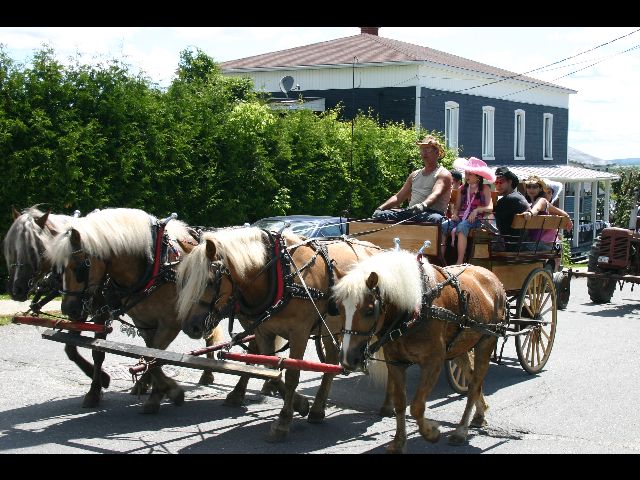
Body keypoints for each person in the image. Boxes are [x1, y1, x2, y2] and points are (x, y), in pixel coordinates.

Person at [373, 135, 452, 224]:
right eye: (422, 149)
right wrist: (380, 208)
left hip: (431, 213)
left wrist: (423, 205)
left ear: (437, 153)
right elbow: (398, 197)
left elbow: (436, 194)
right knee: (382, 215)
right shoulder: (414, 174)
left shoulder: (443, 174)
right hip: (412, 213)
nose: (424, 152)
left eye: (428, 149)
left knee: (435, 219)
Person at [441, 157, 495, 264]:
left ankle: (460, 260)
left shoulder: (485, 189)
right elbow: (457, 207)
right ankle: (441, 258)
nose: (466, 176)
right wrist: (455, 214)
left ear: (478, 176)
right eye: (466, 173)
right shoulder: (462, 189)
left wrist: (477, 210)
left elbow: (490, 207)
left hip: (477, 220)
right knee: (443, 225)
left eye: (470, 174)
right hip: (462, 217)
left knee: (462, 227)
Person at [523, 175, 573, 249]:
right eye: (529, 187)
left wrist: (530, 213)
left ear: (540, 189)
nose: (531, 189)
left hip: (537, 245)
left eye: (534, 187)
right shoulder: (530, 204)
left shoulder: (542, 201)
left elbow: (536, 209)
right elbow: (562, 213)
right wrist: (568, 219)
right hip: (534, 243)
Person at [493, 166, 530, 250]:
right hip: (522, 244)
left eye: (501, 182)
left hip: (509, 245)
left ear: (509, 182)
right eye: (496, 183)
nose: (498, 185)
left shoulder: (508, 200)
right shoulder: (519, 196)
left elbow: (491, 217)